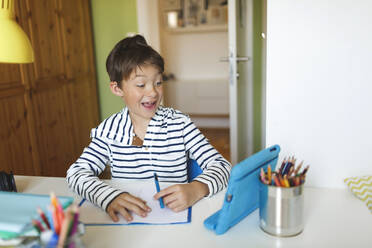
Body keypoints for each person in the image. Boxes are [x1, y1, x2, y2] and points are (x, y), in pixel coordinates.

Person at [66, 35, 231, 222]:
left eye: (158, 82)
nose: (153, 92)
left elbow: (223, 166)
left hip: (176, 223)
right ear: (117, 88)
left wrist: (197, 188)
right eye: (141, 85)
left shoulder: (180, 124)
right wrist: (108, 197)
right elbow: (76, 173)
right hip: (130, 225)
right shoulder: (109, 131)